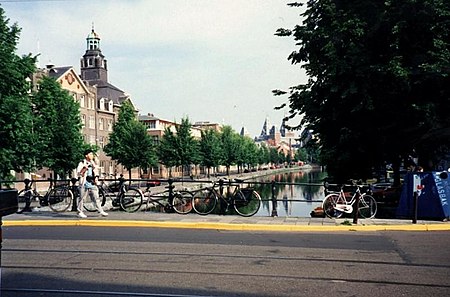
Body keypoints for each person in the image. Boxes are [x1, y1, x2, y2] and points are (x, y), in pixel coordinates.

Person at [76, 149, 108, 218]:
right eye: (90, 154)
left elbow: (96, 171)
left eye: (92, 154)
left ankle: (100, 210)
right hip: (84, 183)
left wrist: (96, 178)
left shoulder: (93, 163)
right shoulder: (82, 163)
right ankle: (80, 212)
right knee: (82, 198)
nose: (92, 155)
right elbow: (79, 173)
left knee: (96, 197)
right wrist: (85, 168)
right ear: (86, 155)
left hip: (92, 183)